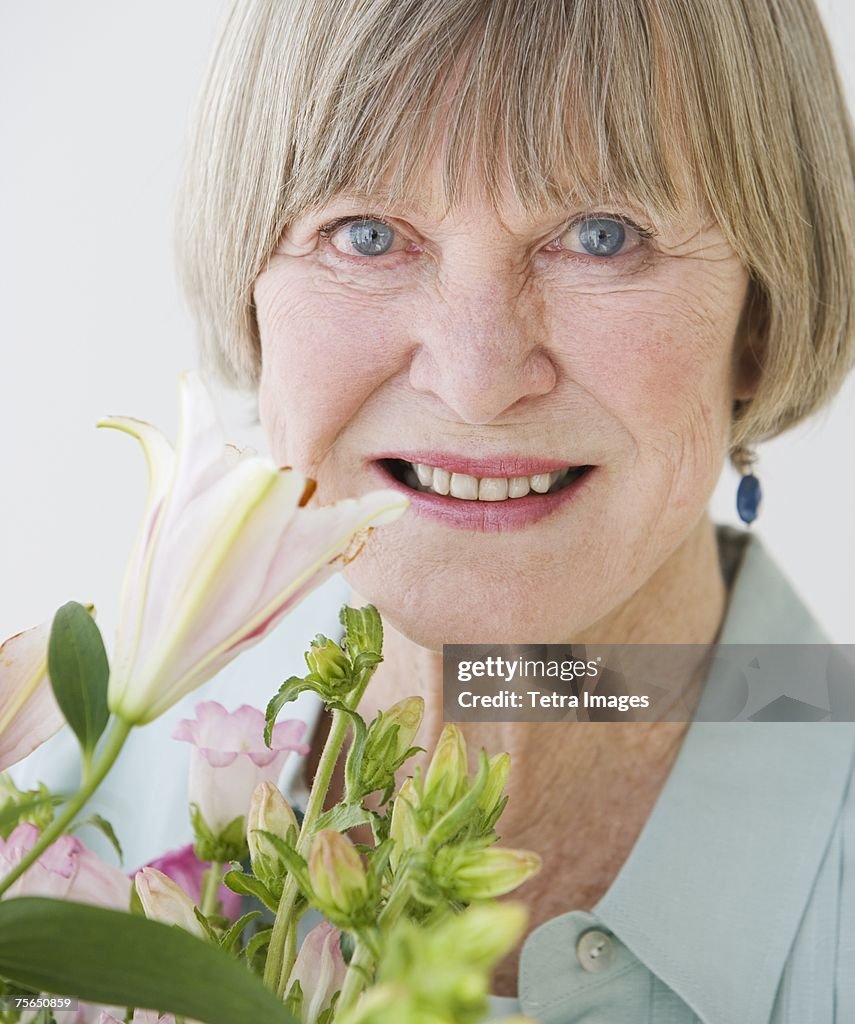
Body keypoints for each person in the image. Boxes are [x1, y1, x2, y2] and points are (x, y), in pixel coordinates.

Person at [171, 0, 855, 1020]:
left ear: (759, 317)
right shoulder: (60, 812)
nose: (478, 377)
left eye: (601, 235)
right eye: (367, 235)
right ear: (254, 301)